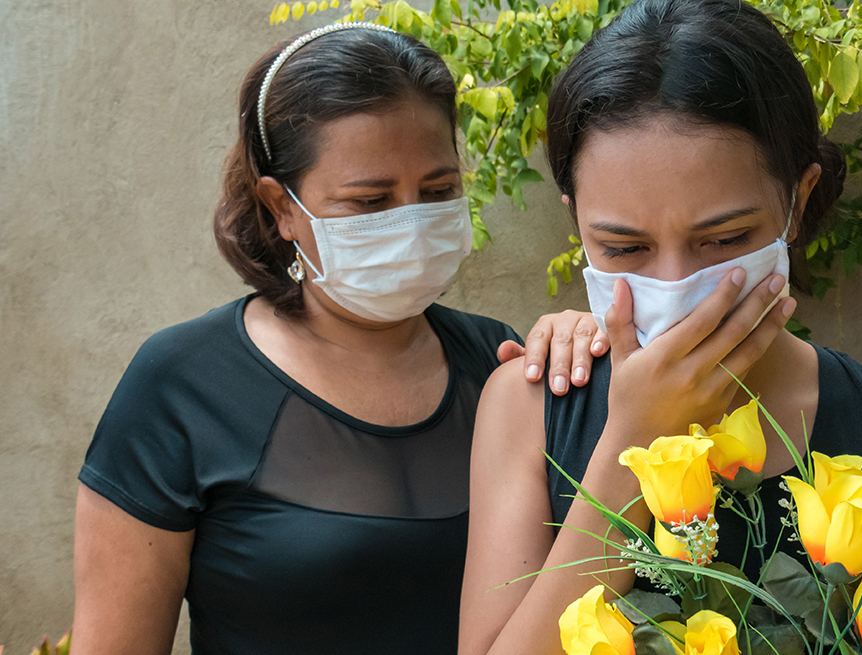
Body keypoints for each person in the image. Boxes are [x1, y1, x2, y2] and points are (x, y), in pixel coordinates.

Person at [459, 1, 862, 653]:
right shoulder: (527, 407)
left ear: (796, 203)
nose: (676, 283)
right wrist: (632, 443)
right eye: (624, 248)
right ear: (577, 225)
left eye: (724, 238)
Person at [72, 23, 607, 655]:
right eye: (371, 201)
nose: (409, 223)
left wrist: (580, 343)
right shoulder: (181, 386)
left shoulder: (498, 364)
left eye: (437, 192)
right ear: (282, 207)